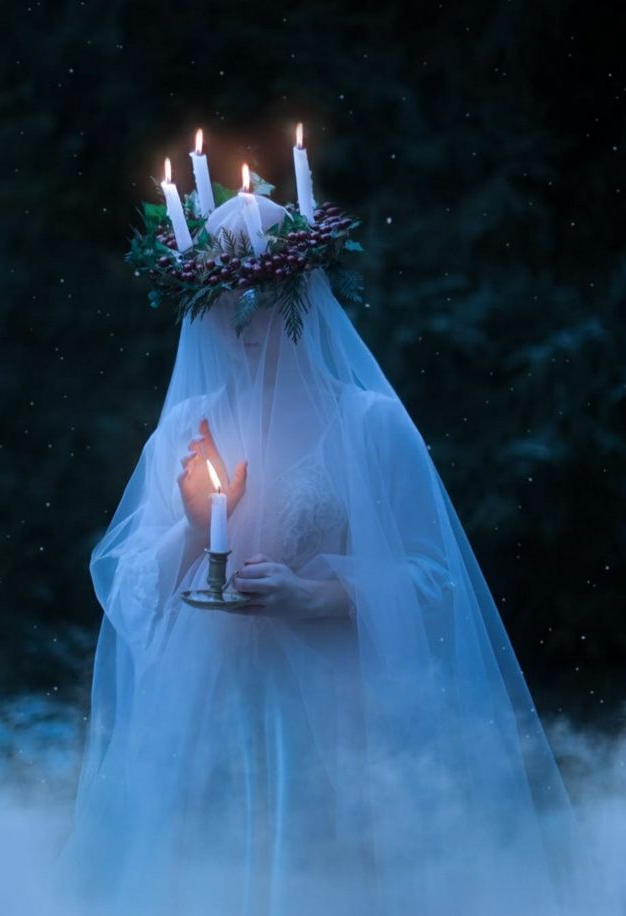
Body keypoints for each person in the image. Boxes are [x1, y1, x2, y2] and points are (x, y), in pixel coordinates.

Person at [56, 268, 583, 916]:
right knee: (201, 879)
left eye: (263, 298)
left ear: (303, 299)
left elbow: (432, 573)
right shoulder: (185, 429)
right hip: (203, 709)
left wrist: (314, 595)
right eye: (221, 303)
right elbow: (127, 585)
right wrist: (194, 531)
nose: (243, 321)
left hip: (333, 710)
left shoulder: (371, 424)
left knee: (325, 879)